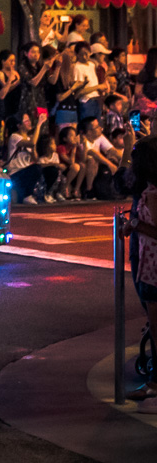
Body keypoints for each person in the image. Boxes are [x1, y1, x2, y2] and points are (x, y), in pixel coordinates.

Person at [121, 134, 157, 405]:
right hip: (148, 264)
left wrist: (135, 224)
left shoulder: (153, 193)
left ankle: (154, 384)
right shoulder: (148, 190)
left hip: (154, 269)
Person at [5, 111, 52, 205]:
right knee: (36, 169)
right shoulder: (15, 137)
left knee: (48, 169)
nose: (29, 122)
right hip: (15, 172)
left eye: (29, 120)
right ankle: (27, 195)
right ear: (19, 125)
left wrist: (33, 147)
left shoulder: (29, 138)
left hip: (25, 170)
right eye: (26, 121)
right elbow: (32, 143)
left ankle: (44, 194)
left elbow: (35, 158)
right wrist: (39, 124)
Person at [73, 43, 106, 122]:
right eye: (81, 54)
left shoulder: (92, 65)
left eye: (86, 54)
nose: (84, 57)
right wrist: (97, 87)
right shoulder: (77, 67)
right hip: (86, 100)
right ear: (77, 55)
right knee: (87, 126)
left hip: (95, 99)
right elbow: (79, 91)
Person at [57, 125, 86, 200]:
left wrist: (84, 144)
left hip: (72, 171)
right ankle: (65, 187)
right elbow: (71, 162)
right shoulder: (61, 147)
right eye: (71, 135)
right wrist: (74, 148)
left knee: (82, 165)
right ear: (65, 139)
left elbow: (83, 159)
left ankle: (76, 189)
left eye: (74, 135)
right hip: (62, 170)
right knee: (75, 166)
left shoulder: (75, 147)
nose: (74, 137)